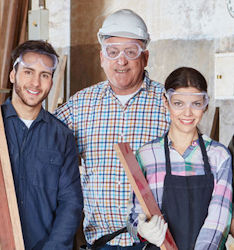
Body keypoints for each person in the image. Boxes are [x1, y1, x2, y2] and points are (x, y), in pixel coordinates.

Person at [55, 9, 170, 248]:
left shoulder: (168, 103)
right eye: (113, 52)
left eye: (131, 52)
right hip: (100, 242)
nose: (121, 61)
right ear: (101, 57)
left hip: (155, 242)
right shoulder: (80, 105)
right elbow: (44, 142)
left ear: (145, 58)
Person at [0, 40, 83, 250]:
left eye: (44, 75)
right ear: (13, 75)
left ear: (51, 81)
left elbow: (70, 203)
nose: (36, 83)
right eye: (28, 72)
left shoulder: (61, 136)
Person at [127, 67, 232, 249]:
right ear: (166, 103)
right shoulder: (146, 155)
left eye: (196, 104)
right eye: (178, 103)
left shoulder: (219, 156)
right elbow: (134, 215)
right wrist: (142, 229)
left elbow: (219, 218)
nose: (187, 113)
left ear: (205, 105)